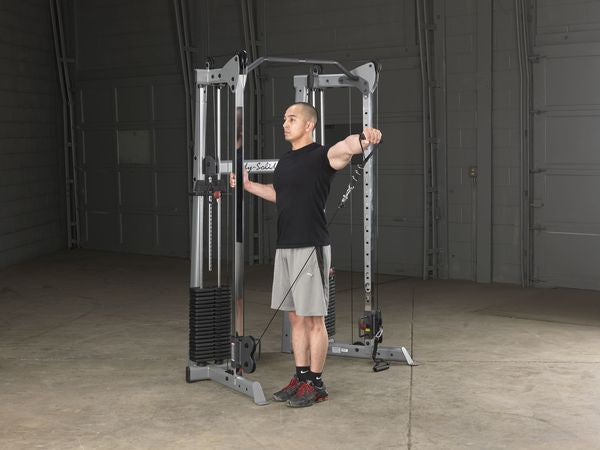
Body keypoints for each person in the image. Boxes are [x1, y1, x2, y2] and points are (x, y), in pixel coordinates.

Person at [230, 102, 382, 407]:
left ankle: (316, 383)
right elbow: (280, 195)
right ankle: (300, 378)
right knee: (295, 318)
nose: (285, 124)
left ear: (309, 124)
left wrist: (364, 138)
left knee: (314, 320)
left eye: (292, 119)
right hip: (285, 247)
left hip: (310, 247)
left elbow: (345, 148)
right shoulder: (286, 161)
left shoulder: (320, 155)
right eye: (284, 119)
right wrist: (248, 185)